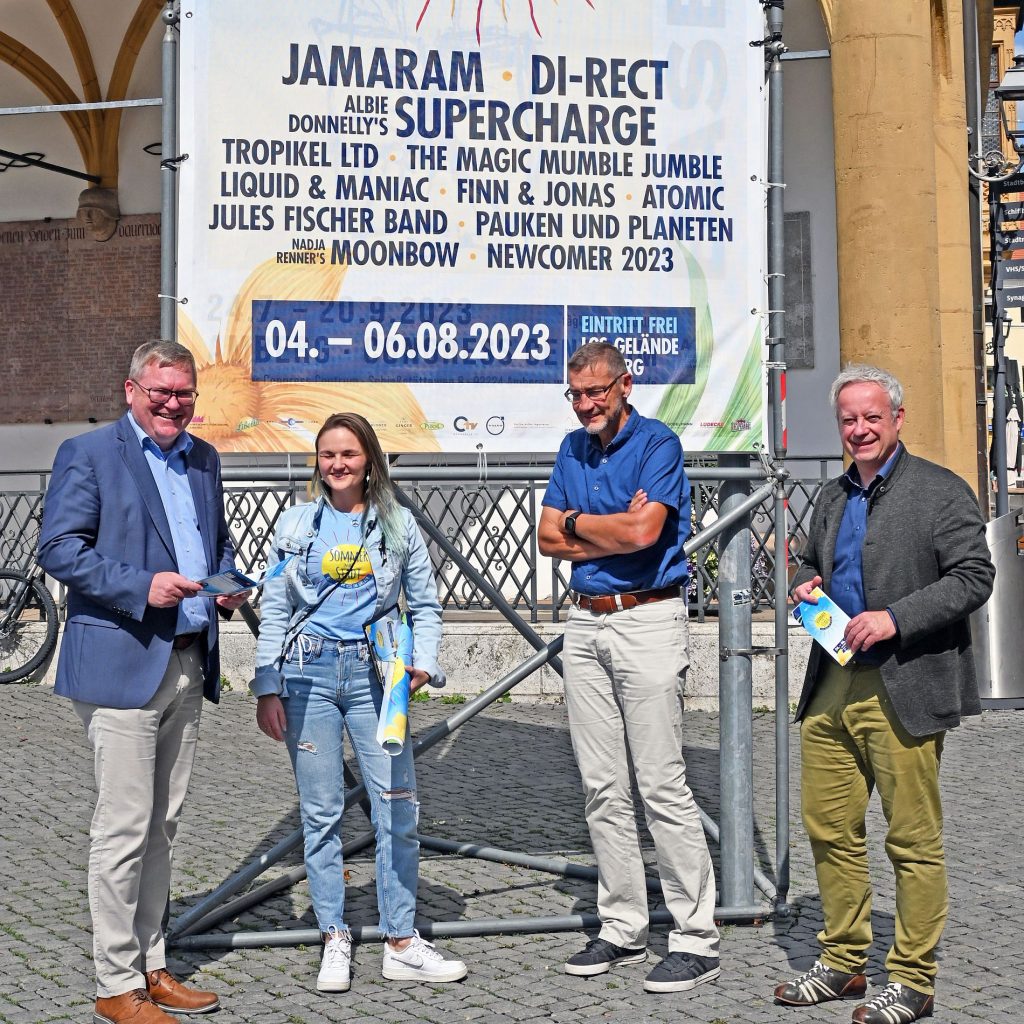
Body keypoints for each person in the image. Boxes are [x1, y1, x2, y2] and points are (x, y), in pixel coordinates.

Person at [774, 365, 995, 1024]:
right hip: (832, 678)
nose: (860, 429)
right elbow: (806, 557)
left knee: (911, 840)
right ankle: (843, 962)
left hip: (906, 681)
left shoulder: (938, 491)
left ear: (897, 419)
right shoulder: (832, 495)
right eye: (849, 419)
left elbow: (974, 575)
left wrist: (896, 617)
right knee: (829, 827)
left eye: (872, 416)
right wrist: (804, 580)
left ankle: (912, 980)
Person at [38, 340, 247, 1024]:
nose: (172, 403)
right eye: (160, 390)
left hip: (187, 659)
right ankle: (113, 983)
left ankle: (153, 966)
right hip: (121, 663)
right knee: (124, 827)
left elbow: (213, 546)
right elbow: (60, 549)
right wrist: (142, 586)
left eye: (184, 392)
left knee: (162, 826)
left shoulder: (203, 459)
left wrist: (226, 584)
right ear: (130, 390)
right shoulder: (90, 453)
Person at [252, 412, 468, 993]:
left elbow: (425, 605)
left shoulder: (397, 525)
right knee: (320, 816)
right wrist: (265, 684)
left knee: (397, 808)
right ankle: (334, 937)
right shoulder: (296, 524)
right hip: (307, 674)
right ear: (316, 463)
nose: (338, 464)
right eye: (327, 455)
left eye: (349, 453)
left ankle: (401, 940)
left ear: (369, 459)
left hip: (378, 675)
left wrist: (423, 663)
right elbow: (275, 607)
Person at [538, 342, 720, 994]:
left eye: (597, 393)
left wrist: (582, 523)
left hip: (648, 619)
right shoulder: (570, 448)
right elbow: (547, 537)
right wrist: (606, 523)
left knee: (661, 783)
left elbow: (647, 535)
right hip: (585, 620)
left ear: (625, 385)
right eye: (576, 394)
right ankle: (622, 925)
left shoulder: (658, 443)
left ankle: (696, 935)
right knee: (602, 785)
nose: (586, 405)